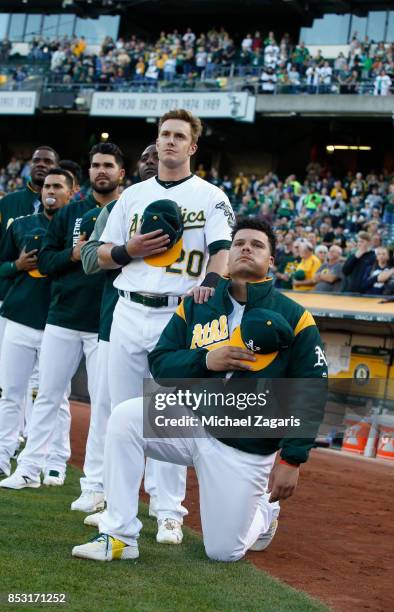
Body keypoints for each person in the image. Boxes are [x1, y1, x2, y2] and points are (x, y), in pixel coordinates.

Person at [72, 218, 328, 563]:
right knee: (125, 419)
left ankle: (266, 514)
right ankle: (119, 535)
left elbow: (311, 388)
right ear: (229, 254)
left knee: (224, 552)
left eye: (257, 245)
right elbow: (160, 362)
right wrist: (207, 359)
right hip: (191, 419)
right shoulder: (198, 302)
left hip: (243, 441)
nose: (246, 248)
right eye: (238, 243)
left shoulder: (295, 315)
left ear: (272, 261)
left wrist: (293, 457)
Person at [96, 109, 234, 544]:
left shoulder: (211, 195)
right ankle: (119, 514)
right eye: (163, 135)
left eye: (178, 136)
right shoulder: (133, 195)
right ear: (156, 143)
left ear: (192, 146)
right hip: (128, 307)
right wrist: (127, 250)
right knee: (122, 417)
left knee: (167, 417)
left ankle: (169, 511)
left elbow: (222, 251)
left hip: (176, 315)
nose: (169, 142)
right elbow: (101, 253)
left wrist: (210, 285)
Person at [0, 143, 124, 490]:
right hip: (63, 316)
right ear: (88, 172)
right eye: (96, 164)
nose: (101, 170)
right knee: (47, 396)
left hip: (105, 322)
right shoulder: (72, 213)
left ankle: (94, 483)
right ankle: (28, 468)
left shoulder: (128, 211)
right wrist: (73, 254)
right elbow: (49, 263)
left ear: (120, 173)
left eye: (108, 165)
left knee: (102, 405)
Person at [71, 144, 158, 515]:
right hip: (115, 321)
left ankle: (161, 502)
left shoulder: (198, 207)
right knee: (106, 409)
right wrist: (128, 249)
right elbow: (89, 259)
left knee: (162, 414)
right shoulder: (118, 207)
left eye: (158, 154)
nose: (152, 161)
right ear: (134, 169)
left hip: (171, 325)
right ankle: (95, 487)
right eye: (146, 156)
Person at [0, 169, 73, 480]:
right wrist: (16, 265)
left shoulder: (76, 228)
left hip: (57, 322)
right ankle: (2, 456)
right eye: (46, 186)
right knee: (9, 393)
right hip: (19, 317)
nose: (50, 191)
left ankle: (56, 459)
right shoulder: (22, 225)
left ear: (72, 192)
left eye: (57, 186)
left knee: (55, 396)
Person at [0, 146, 59, 348]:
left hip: (46, 303)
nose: (41, 164)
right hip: (7, 299)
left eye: (47, 161)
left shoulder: (65, 211)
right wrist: (16, 265)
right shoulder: (7, 202)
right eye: (36, 160)